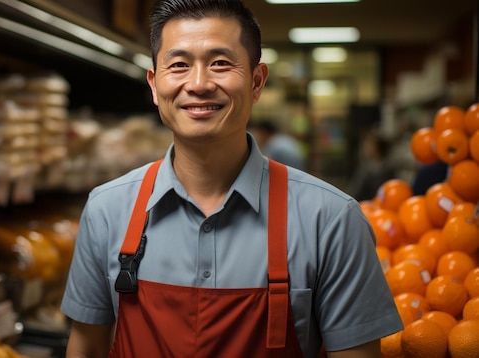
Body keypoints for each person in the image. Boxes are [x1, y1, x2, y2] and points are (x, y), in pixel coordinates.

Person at [61, 1, 403, 357]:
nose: (198, 84)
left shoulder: (331, 219)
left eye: (220, 63)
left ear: (257, 82)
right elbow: (86, 346)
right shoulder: (107, 209)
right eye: (178, 65)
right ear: (154, 84)